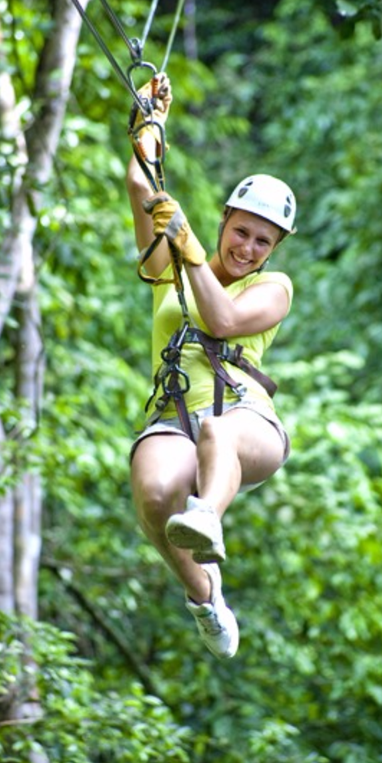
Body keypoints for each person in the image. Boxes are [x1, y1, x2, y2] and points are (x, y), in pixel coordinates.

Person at [126, 73, 296, 659]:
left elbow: (221, 319)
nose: (247, 248)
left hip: (243, 417)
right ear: (226, 218)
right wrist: (150, 123)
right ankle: (205, 596)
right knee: (151, 494)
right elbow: (139, 184)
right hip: (174, 413)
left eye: (262, 242)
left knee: (218, 433)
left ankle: (207, 515)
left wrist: (191, 247)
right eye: (242, 231)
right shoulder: (166, 270)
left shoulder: (273, 288)